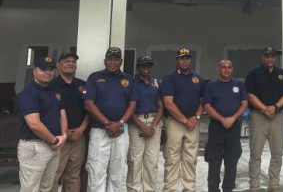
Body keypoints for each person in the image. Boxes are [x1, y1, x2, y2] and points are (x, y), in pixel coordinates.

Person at [84, 47, 137, 192]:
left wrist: (119, 123)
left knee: (117, 172)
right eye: (109, 59)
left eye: (116, 59)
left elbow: (132, 104)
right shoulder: (94, 77)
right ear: (105, 61)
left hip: (121, 131)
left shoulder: (128, 79)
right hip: (99, 131)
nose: (112, 62)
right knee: (96, 171)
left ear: (121, 61)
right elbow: (88, 104)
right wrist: (108, 124)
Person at [16, 55, 67, 192]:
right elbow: (34, 124)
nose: (48, 72)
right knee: (30, 188)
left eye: (51, 69)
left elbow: (62, 113)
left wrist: (64, 135)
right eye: (43, 69)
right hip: (35, 146)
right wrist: (55, 140)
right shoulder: (28, 93)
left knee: (46, 187)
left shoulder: (54, 91)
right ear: (35, 71)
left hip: (54, 145)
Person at [244, 46, 283, 192]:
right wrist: (265, 109)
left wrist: (275, 107)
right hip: (258, 116)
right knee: (255, 154)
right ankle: (254, 186)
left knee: (277, 153)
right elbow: (250, 94)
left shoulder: (282, 74)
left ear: (275, 58)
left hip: (277, 117)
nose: (269, 59)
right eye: (267, 56)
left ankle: (274, 185)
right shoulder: (253, 74)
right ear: (262, 57)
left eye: (272, 56)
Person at [161, 48, 205, 192]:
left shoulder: (198, 78)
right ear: (177, 60)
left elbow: (203, 101)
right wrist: (185, 121)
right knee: (172, 158)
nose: (185, 61)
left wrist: (196, 116)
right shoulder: (169, 78)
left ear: (190, 60)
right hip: (175, 123)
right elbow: (168, 103)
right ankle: (170, 189)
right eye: (182, 58)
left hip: (193, 123)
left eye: (187, 58)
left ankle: (189, 189)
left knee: (191, 158)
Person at [203, 60, 248, 192]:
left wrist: (233, 118)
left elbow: (244, 103)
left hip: (233, 128)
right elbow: (207, 105)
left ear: (232, 69)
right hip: (216, 128)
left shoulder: (239, 84)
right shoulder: (211, 85)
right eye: (223, 67)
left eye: (229, 67)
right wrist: (222, 119)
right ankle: (213, 188)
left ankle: (228, 188)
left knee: (232, 161)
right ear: (218, 69)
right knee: (214, 162)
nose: (226, 70)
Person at [50, 52, 89, 192]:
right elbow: (49, 112)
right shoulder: (51, 86)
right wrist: (65, 132)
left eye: (73, 61)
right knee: (54, 174)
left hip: (78, 137)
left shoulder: (83, 85)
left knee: (73, 175)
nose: (71, 64)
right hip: (59, 137)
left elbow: (89, 109)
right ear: (58, 65)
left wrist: (81, 129)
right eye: (67, 61)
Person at [127, 55, 164, 192]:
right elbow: (128, 108)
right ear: (138, 67)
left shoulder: (156, 83)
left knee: (152, 161)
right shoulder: (131, 82)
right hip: (137, 122)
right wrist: (142, 126)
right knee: (135, 160)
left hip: (154, 122)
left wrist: (153, 125)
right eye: (143, 65)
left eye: (149, 65)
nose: (146, 68)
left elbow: (161, 106)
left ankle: (149, 189)